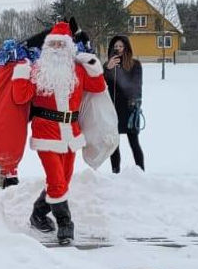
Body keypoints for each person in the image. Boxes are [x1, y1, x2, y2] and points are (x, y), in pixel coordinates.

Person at [10, 21, 107, 244]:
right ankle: (65, 224)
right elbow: (19, 97)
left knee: (63, 181)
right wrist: (21, 72)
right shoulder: (37, 70)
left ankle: (38, 213)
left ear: (69, 47)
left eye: (61, 44)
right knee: (56, 181)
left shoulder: (79, 71)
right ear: (46, 47)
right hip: (46, 133)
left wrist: (90, 62)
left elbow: (99, 87)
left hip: (71, 134)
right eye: (52, 44)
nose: (56, 48)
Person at [103, 35, 144, 173]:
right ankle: (116, 172)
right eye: (115, 47)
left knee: (134, 142)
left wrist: (136, 103)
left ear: (126, 48)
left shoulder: (135, 64)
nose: (118, 49)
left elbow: (137, 85)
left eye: (121, 46)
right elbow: (101, 85)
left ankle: (141, 171)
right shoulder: (108, 65)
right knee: (114, 144)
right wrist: (108, 69)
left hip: (129, 108)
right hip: (112, 109)